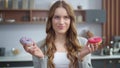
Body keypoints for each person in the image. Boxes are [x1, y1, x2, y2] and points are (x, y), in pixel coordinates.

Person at [20, 0, 99, 68]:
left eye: (66, 17)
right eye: (57, 17)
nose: (61, 22)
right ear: (51, 20)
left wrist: (81, 58)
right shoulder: (39, 47)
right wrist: (41, 58)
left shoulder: (83, 43)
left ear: (71, 20)